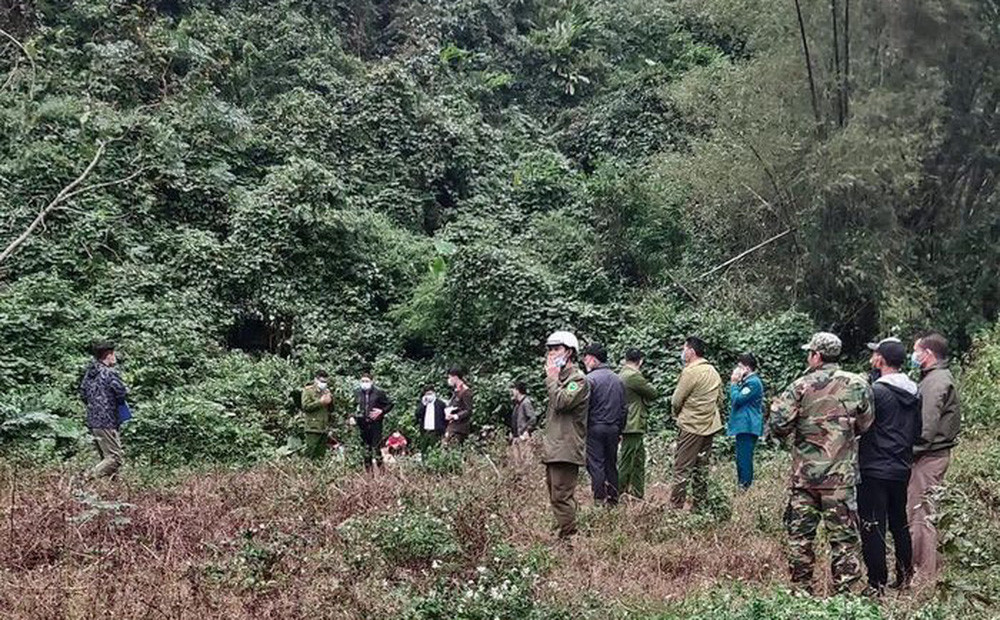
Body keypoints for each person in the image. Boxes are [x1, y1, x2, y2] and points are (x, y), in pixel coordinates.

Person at [770, 332, 874, 595]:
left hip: (805, 477)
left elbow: (779, 425)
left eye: (810, 353)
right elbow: (866, 424)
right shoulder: (857, 383)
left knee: (800, 539)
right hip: (840, 478)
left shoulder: (799, 386)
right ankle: (846, 596)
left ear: (816, 356)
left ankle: (801, 591)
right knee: (844, 539)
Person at [859, 338, 922, 594]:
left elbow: (861, 425)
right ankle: (904, 577)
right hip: (901, 466)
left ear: (880, 360)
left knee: (873, 525)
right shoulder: (915, 392)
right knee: (899, 523)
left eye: (875, 355)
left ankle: (877, 583)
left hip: (874, 467)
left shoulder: (876, 392)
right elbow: (917, 431)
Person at [908, 332, 961, 583]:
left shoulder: (935, 382)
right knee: (927, 511)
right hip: (932, 453)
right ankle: (931, 568)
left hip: (928, 456)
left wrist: (910, 451)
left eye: (916, 351)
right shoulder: (935, 377)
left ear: (927, 354)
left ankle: (923, 575)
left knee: (920, 514)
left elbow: (926, 425)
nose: (913, 355)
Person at [542, 331, 590, 542]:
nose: (551, 354)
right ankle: (565, 532)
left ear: (569, 352)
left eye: (556, 349)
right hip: (554, 448)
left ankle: (570, 538)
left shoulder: (577, 380)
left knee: (561, 496)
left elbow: (562, 402)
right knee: (555, 495)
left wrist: (552, 379)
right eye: (550, 350)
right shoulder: (560, 380)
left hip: (566, 448)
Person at [670, 336, 723, 510]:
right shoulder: (713, 371)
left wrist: (677, 415)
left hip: (691, 425)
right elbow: (720, 399)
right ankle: (700, 506)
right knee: (701, 467)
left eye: (684, 348)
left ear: (691, 351)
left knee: (682, 468)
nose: (682, 352)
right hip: (710, 425)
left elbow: (677, 400)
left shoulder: (691, 372)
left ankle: (676, 506)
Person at [581, 342, 627, 507]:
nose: (585, 362)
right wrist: (620, 429)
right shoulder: (618, 380)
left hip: (595, 428)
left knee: (596, 464)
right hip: (613, 428)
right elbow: (624, 408)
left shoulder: (589, 380)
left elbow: (584, 407)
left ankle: (599, 500)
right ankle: (613, 499)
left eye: (586, 358)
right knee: (611, 464)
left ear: (593, 359)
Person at [79, 340, 129, 479]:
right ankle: (84, 479)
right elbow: (121, 393)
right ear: (109, 355)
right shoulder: (109, 373)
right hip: (107, 420)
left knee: (106, 459)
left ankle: (115, 489)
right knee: (115, 458)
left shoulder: (89, 374)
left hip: (93, 420)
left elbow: (83, 394)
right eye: (114, 354)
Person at [618, 348, 657, 500]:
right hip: (632, 423)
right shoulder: (633, 376)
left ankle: (637, 494)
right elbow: (652, 393)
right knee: (627, 461)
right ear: (640, 361)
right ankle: (618, 492)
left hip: (629, 423)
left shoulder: (621, 374)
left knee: (638, 460)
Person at [726, 352, 764, 490]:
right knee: (741, 458)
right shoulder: (747, 382)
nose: (736, 370)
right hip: (743, 426)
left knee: (744, 459)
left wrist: (734, 384)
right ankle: (742, 485)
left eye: (739, 367)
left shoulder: (753, 383)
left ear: (747, 368)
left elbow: (737, 399)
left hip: (748, 426)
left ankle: (745, 487)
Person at [355, 371, 394, 471]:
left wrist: (381, 411)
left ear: (372, 382)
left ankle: (381, 471)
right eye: (363, 381)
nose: (364, 383)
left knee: (376, 447)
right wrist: (352, 416)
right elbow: (352, 406)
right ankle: (369, 472)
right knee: (366, 449)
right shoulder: (357, 393)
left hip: (376, 424)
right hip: (362, 424)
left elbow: (389, 404)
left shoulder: (379, 393)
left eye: (367, 381)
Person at [301, 370, 334, 460]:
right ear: (316, 380)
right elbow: (305, 407)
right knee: (310, 452)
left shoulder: (326, 391)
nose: (324, 384)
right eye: (322, 381)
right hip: (312, 427)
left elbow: (331, 410)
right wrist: (320, 402)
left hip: (324, 427)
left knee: (320, 455)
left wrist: (330, 400)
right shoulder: (308, 391)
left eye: (325, 382)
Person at [509, 380, 538, 469]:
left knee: (526, 464)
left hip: (523, 438)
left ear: (517, 390)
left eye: (513, 389)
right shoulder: (517, 404)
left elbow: (533, 418)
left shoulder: (526, 402)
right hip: (516, 438)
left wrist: (526, 430)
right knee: (517, 465)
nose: (512, 392)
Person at [444, 367, 473, 445]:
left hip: (459, 428)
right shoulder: (456, 391)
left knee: (449, 447)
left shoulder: (465, 391)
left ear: (455, 377)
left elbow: (468, 410)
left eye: (450, 377)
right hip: (453, 426)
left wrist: (455, 416)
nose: (449, 380)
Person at [414, 384, 447, 452]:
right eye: (427, 394)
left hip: (436, 431)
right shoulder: (423, 404)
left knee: (436, 450)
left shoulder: (440, 404)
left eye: (430, 394)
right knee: (424, 450)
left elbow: (445, 418)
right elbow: (417, 414)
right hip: (425, 431)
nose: (429, 396)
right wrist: (423, 404)